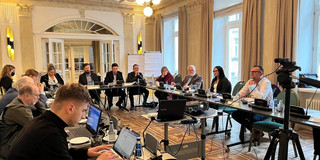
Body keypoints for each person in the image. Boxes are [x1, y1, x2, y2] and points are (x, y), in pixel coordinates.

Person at [6, 83, 116, 160]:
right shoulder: (50, 134)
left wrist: (86, 153)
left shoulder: (44, 121)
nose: (83, 116)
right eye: (83, 110)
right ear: (70, 108)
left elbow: (61, 153)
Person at [0, 84, 44, 158]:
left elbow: (43, 112)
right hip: (10, 148)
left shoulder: (22, 103)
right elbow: (36, 128)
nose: (38, 98)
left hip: (16, 142)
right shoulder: (18, 109)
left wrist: (36, 101)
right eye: (36, 95)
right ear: (27, 95)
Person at [232, 65, 273, 132]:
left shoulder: (266, 82)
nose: (251, 73)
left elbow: (261, 98)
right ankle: (255, 132)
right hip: (252, 107)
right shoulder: (250, 81)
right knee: (236, 114)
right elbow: (241, 93)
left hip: (265, 109)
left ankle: (256, 133)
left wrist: (251, 86)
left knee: (251, 117)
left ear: (261, 73)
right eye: (251, 72)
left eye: (254, 72)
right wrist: (238, 96)